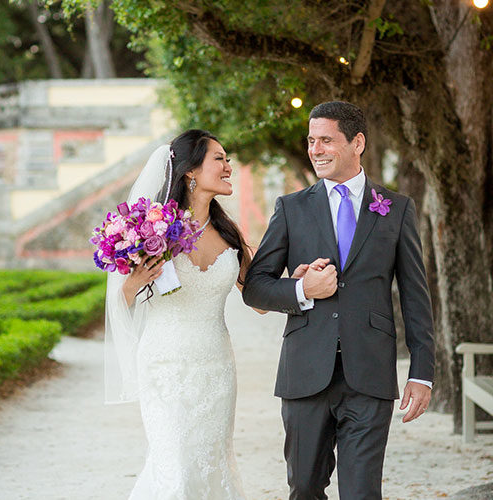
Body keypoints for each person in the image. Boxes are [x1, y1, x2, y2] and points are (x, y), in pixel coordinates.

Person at [242, 101, 435, 500]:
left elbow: (416, 296)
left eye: (326, 140)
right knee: (305, 487)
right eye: (312, 141)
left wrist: (422, 372)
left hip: (370, 374)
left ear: (357, 142)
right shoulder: (291, 208)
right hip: (305, 373)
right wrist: (301, 291)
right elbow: (255, 287)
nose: (316, 149)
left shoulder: (396, 209)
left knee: (363, 493)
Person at [106, 129, 305, 499]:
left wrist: (298, 283)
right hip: (164, 366)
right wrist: (134, 281)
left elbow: (259, 299)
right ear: (190, 171)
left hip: (216, 368)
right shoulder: (151, 229)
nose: (229, 166)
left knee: (210, 462)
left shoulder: (230, 234)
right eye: (220, 159)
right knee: (174, 463)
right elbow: (120, 302)